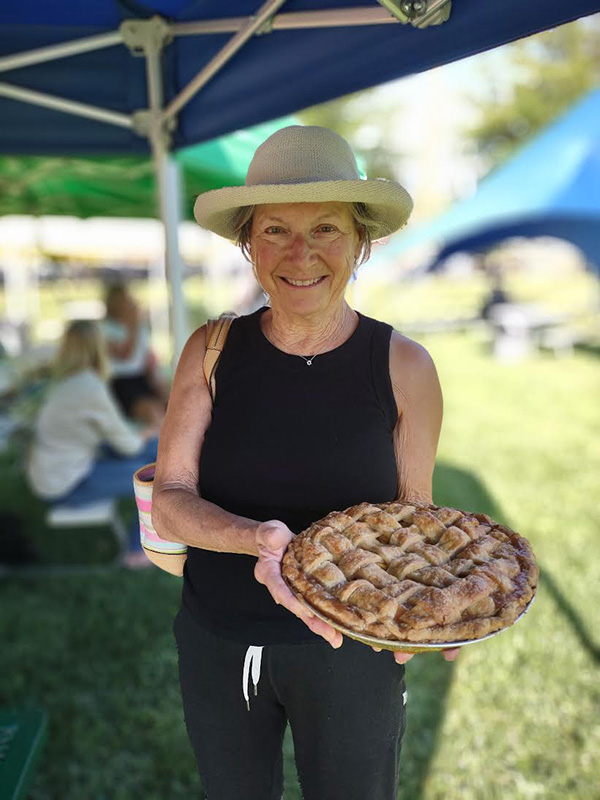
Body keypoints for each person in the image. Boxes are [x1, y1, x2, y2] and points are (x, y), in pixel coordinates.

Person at [152, 125, 458, 800]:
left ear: (360, 242)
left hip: (355, 647)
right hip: (222, 637)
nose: (300, 254)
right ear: (247, 244)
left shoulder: (404, 365)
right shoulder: (211, 350)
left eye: (325, 229)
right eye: (273, 231)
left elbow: (415, 516)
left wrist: (437, 602)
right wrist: (253, 539)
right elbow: (170, 497)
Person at [26, 319, 159, 568]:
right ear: (99, 347)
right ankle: (136, 552)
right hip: (65, 484)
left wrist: (143, 435)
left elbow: (114, 434)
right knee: (153, 475)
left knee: (154, 449)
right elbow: (127, 445)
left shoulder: (66, 382)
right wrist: (146, 433)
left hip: (56, 471)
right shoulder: (88, 386)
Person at [103, 283, 167, 427]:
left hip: (141, 377)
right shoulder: (106, 328)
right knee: (151, 411)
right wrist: (133, 324)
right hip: (121, 381)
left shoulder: (139, 327)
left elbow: (146, 359)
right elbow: (124, 354)